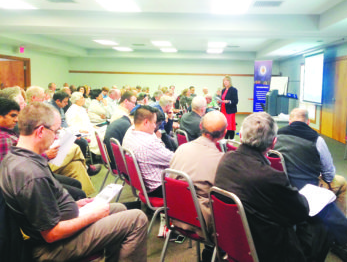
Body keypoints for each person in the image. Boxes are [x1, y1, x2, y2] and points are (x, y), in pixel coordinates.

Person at [215, 112, 347, 262]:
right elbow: (300, 213)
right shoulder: (271, 177)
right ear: (273, 143)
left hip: (233, 239)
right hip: (269, 249)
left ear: (241, 134)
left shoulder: (226, 160)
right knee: (323, 221)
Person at [0, 102, 147, 262]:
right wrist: (92, 216)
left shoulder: (15, 157)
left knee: (117, 208)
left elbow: (39, 207)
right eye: (55, 132)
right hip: (50, 248)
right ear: (41, 131)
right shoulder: (31, 174)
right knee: (137, 219)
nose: (56, 137)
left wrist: (76, 206)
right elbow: (51, 234)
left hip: (55, 228)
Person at [274, 108, 347, 214]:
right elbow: (329, 174)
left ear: (290, 121)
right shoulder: (317, 140)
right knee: (342, 182)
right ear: (308, 122)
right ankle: (339, 225)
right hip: (308, 188)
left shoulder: (276, 136)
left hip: (282, 186)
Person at [170, 111, 227, 233]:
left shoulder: (181, 148)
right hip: (201, 223)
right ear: (224, 134)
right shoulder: (221, 160)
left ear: (200, 126)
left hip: (175, 213)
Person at [122, 105, 173, 198]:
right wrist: (159, 140)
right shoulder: (148, 144)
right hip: (158, 187)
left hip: (145, 184)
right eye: (154, 122)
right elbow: (174, 160)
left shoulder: (130, 131)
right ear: (146, 122)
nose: (155, 126)